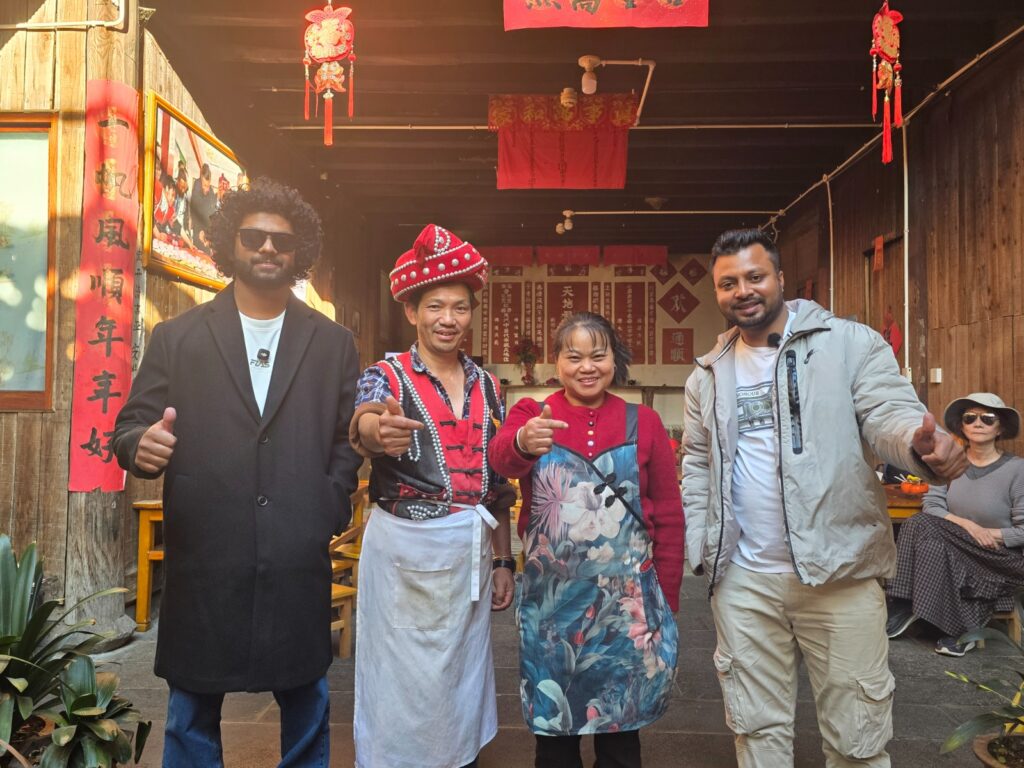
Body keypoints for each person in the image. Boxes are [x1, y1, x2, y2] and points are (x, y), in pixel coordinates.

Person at [682, 228, 968, 768]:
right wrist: (703, 546)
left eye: (754, 276)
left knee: (857, 740)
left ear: (780, 278)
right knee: (756, 732)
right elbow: (697, 462)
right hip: (744, 581)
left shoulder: (848, 344)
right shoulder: (709, 372)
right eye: (728, 283)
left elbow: (888, 414)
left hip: (840, 574)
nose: (743, 291)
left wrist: (918, 446)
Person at [113, 177, 361, 768]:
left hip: (296, 547)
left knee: (306, 697)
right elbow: (131, 424)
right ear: (231, 243)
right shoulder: (178, 337)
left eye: (283, 240)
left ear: (300, 252)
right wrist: (139, 446)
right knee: (192, 704)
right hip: (206, 546)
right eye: (254, 237)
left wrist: (326, 503)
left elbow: (345, 438)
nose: (268, 248)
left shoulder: (332, 343)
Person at [348, 223, 515, 768]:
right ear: (412, 312)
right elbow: (367, 420)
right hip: (403, 554)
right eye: (436, 306)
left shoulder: (489, 385)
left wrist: (504, 561)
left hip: (469, 552)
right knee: (399, 679)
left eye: (460, 307)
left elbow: (498, 486)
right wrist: (379, 432)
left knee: (459, 676)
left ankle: (457, 758)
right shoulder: (386, 374)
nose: (449, 319)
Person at [490, 312, 683, 768]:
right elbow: (501, 461)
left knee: (621, 736)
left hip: (626, 612)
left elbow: (669, 515)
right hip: (551, 613)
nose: (587, 367)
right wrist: (523, 442)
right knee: (554, 737)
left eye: (598, 355)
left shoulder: (644, 421)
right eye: (573, 356)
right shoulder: (531, 414)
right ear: (557, 362)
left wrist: (666, 601)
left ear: (615, 359)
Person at [886, 392, 1024, 656]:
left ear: (1000, 428)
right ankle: (958, 631)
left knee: (920, 524)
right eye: (970, 418)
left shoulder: (1018, 470)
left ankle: (902, 603)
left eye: (988, 418)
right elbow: (932, 505)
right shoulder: (949, 465)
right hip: (957, 547)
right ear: (962, 426)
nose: (978, 423)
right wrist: (970, 527)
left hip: (1000, 557)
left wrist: (987, 534)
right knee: (928, 538)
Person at [190, 163, 219, 254]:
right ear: (201, 179)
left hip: (206, 230)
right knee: (197, 253)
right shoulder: (197, 187)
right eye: (204, 185)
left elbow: (212, 212)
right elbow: (195, 212)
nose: (207, 189)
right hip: (197, 228)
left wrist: (208, 233)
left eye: (208, 185)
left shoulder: (210, 191)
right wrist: (200, 230)